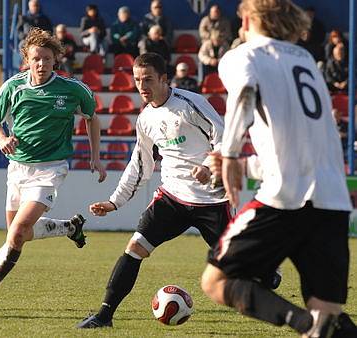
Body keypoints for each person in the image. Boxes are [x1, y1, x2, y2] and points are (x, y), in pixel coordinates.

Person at [200, 1, 357, 337]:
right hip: (332, 201)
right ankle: (318, 325)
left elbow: (243, 92)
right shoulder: (308, 63)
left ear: (247, 18)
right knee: (329, 319)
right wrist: (246, 165)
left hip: (285, 198)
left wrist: (229, 154)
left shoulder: (243, 55)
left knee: (216, 280)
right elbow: (304, 145)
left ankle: (306, 324)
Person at [76, 52, 231, 329]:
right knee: (135, 247)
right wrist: (115, 202)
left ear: (164, 78)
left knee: (238, 266)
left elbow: (223, 140)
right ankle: (104, 316)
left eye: (148, 79)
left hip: (211, 200)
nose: (141, 86)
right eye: (137, 80)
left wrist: (208, 166)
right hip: (172, 198)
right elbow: (140, 165)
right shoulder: (146, 118)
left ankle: (268, 273)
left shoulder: (190, 104)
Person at [0, 28, 107, 311]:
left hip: (51, 169)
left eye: (46, 59)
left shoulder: (73, 89)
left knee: (16, 234)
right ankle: (70, 227)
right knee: (18, 233)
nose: (41, 64)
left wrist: (96, 157)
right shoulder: (13, 87)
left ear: (56, 60)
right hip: (17, 168)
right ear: (27, 61)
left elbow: (92, 118)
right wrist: (3, 138)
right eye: (35, 59)